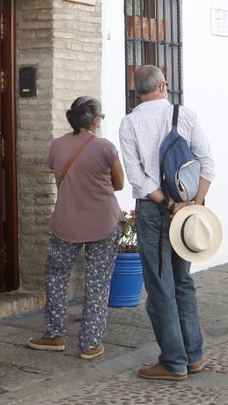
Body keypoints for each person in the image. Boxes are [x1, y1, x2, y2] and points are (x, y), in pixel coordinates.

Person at [118, 65, 216, 381]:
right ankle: (194, 354)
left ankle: (173, 362)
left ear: (136, 92)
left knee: (160, 285)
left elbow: (136, 177)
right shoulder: (184, 115)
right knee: (183, 281)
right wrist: (194, 204)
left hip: (152, 210)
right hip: (188, 209)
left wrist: (168, 203)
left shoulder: (129, 123)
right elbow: (208, 164)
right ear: (164, 85)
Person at [29, 96, 126, 360]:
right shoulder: (106, 147)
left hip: (66, 222)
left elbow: (56, 171)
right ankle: (90, 344)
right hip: (103, 222)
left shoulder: (57, 145)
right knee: (97, 282)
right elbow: (119, 184)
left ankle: (54, 334)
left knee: (56, 277)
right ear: (95, 121)